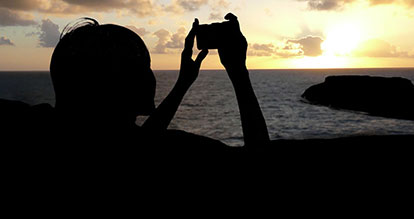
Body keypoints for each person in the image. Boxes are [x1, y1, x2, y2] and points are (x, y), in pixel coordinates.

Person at [2, 13, 269, 148]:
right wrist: (238, 73)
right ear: (111, 84)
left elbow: (139, 141)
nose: (151, 76)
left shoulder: (36, 126)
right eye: (143, 66)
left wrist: (182, 84)